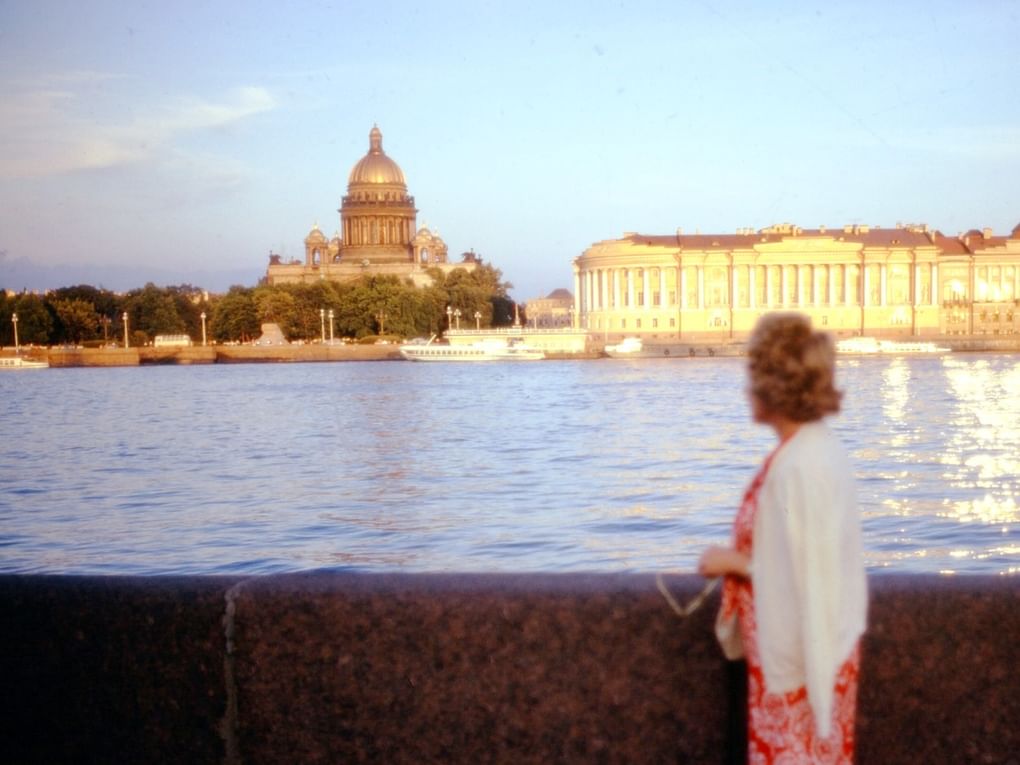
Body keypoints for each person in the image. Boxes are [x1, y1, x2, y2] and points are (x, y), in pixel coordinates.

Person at [698, 312, 867, 764]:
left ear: (776, 386)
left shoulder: (803, 464)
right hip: (800, 662)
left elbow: (812, 575)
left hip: (803, 670)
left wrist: (734, 563)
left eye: (753, 375)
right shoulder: (808, 449)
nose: (746, 389)